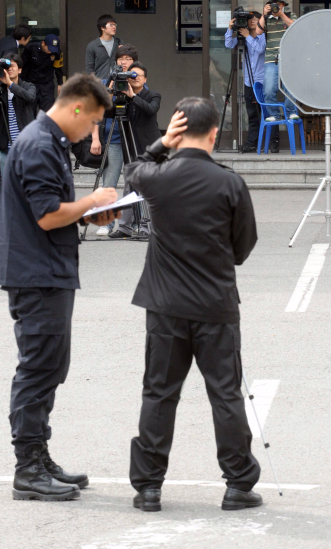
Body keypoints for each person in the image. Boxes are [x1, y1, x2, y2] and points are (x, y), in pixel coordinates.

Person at [125, 97, 262, 512]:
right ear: (215, 133)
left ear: (177, 131)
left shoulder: (157, 176)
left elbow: (131, 172)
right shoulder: (230, 183)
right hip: (216, 305)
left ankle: (149, 487)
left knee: (159, 393)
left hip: (164, 305)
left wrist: (160, 144)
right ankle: (238, 483)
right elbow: (244, 244)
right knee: (225, 394)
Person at [0, 73, 120, 502]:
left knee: (50, 367)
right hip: (37, 274)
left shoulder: (49, 141)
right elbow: (47, 215)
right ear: (78, 107)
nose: (91, 132)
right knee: (38, 368)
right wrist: (93, 202)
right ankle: (27, 467)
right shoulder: (40, 145)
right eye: (93, 123)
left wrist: (86, 215)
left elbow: (49, 211)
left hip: (45, 270)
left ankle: (39, 455)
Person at [90, 44, 139, 236]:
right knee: (109, 181)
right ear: (116, 61)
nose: (124, 62)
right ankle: (106, 223)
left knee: (133, 182)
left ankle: (132, 223)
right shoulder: (106, 82)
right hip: (114, 138)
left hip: (132, 137)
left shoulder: (137, 81)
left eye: (128, 59)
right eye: (121, 58)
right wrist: (95, 138)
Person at [108, 61, 161, 240]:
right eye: (132, 75)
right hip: (130, 145)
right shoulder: (121, 97)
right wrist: (109, 93)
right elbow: (106, 113)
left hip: (149, 148)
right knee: (129, 187)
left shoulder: (153, 95)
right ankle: (125, 227)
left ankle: (148, 228)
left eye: (138, 75)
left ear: (145, 79)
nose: (135, 77)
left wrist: (133, 97)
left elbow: (150, 110)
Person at [256, 0, 299, 153]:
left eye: (278, 4)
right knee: (268, 89)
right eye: (273, 5)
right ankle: (274, 114)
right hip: (270, 60)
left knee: (290, 88)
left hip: (288, 59)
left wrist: (281, 14)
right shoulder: (266, 19)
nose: (275, 7)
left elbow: (295, 27)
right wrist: (264, 14)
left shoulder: (288, 15)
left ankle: (290, 112)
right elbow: (258, 32)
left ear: (283, 5)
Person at [0, 53, 36, 175]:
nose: (9, 69)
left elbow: (30, 97)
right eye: (7, 67)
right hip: (6, 145)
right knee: (8, 182)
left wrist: (9, 84)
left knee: (26, 182)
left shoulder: (28, 86)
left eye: (13, 66)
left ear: (20, 70)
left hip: (25, 143)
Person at [225, 11, 265, 153]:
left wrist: (248, 36)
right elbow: (229, 44)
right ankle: (252, 143)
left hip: (262, 81)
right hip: (248, 82)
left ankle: (271, 142)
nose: (253, 21)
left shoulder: (263, 36)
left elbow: (260, 49)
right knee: (252, 115)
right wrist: (230, 28)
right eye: (250, 19)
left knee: (267, 113)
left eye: (256, 18)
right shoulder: (243, 38)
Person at [21, 34, 64, 116]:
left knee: (47, 114)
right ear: (43, 43)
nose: (51, 51)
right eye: (49, 48)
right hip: (31, 84)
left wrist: (60, 83)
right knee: (30, 113)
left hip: (47, 85)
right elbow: (23, 67)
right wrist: (21, 83)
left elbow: (58, 68)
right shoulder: (30, 48)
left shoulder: (57, 52)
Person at [85, 14, 123, 79]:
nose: (114, 27)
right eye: (111, 25)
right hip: (100, 83)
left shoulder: (119, 43)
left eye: (115, 25)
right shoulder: (93, 45)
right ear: (102, 27)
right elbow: (89, 69)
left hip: (117, 82)